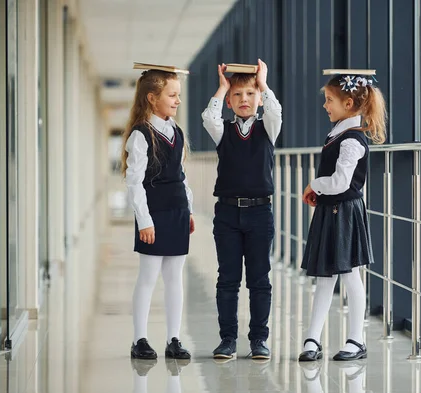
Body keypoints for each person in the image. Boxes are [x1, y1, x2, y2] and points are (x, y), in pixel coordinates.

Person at [298, 71, 387, 362]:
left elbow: (339, 182)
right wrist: (320, 191)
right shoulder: (339, 133)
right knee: (326, 277)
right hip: (331, 210)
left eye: (329, 100)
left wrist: (315, 185)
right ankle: (312, 338)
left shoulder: (352, 139)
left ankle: (356, 340)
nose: (325, 105)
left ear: (348, 103)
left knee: (349, 276)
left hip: (345, 212)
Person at [201, 59, 282, 360]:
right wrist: (223, 87)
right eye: (237, 95)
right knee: (228, 279)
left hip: (261, 214)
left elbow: (275, 111)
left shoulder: (268, 128)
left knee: (260, 280)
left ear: (259, 98)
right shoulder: (223, 131)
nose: (243, 100)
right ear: (230, 101)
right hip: (228, 215)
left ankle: (259, 340)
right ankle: (228, 340)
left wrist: (263, 82)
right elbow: (208, 117)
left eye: (250, 94)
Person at [121, 66, 195, 360]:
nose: (177, 100)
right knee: (148, 276)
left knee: (175, 277)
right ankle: (139, 339)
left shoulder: (175, 130)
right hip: (154, 214)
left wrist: (187, 209)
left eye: (178, 95)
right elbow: (134, 181)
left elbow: (181, 175)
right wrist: (144, 221)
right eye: (172, 95)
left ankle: (173, 339)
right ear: (152, 98)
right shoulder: (141, 135)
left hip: (177, 210)